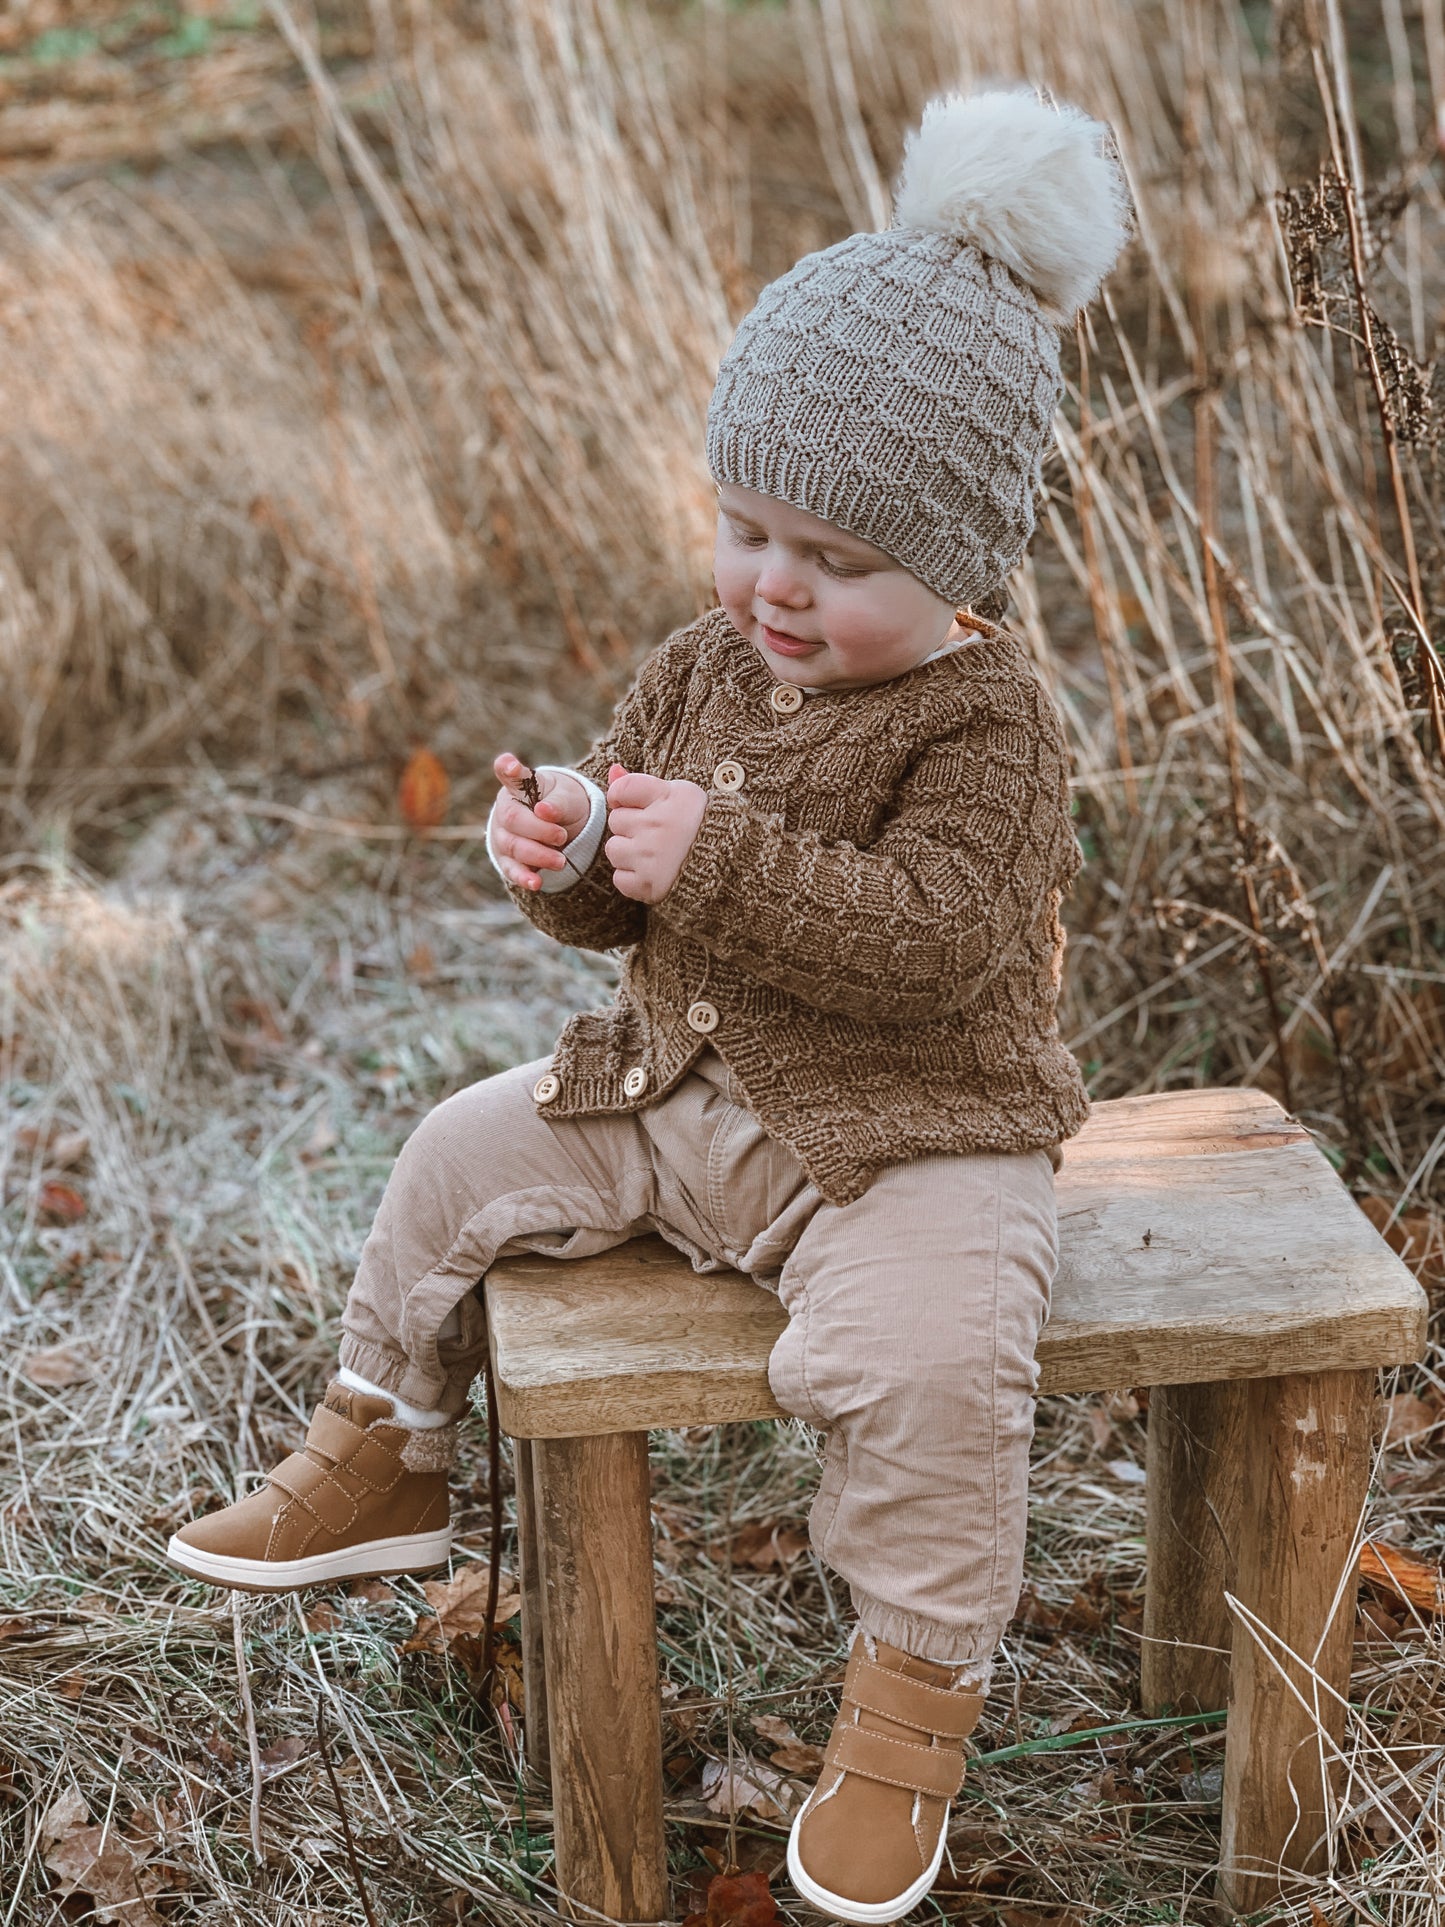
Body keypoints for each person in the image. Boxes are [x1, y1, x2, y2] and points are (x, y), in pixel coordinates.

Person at [167, 86, 1128, 1924]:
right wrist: (576, 855)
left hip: (910, 1140)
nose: (776, 586)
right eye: (747, 528)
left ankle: (912, 1701)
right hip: (687, 1096)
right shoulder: (705, 662)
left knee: (931, 1368)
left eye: (841, 563)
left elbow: (939, 944)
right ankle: (377, 1450)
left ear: (961, 561)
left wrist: (721, 867)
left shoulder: (988, 725)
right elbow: (632, 901)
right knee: (459, 1150)